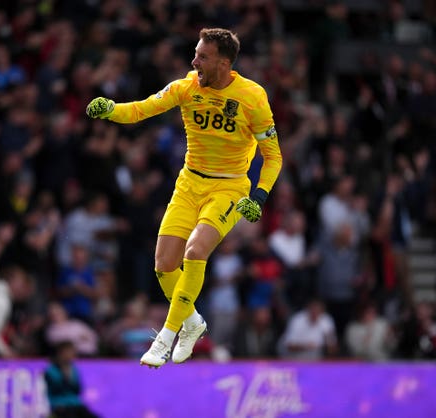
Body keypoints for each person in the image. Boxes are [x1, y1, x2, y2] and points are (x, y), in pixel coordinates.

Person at [86, 28, 282, 368]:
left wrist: (260, 196)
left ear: (224, 62)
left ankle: (165, 337)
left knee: (194, 252)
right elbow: (141, 110)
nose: (194, 62)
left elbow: (273, 156)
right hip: (189, 184)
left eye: (202, 57)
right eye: (195, 54)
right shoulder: (187, 86)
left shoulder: (253, 96)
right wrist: (110, 109)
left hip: (230, 188)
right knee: (163, 265)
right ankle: (193, 323)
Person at [44, 341, 100, 418]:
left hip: (75, 404)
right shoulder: (51, 370)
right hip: (59, 405)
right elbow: (55, 387)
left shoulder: (73, 369)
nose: (72, 354)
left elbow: (78, 389)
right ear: (60, 353)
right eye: (68, 352)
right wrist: (64, 373)